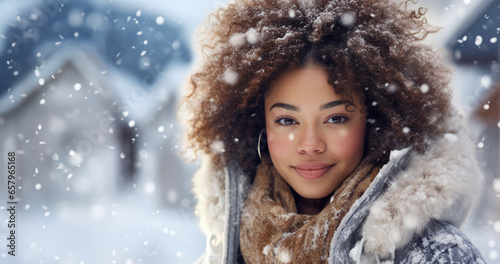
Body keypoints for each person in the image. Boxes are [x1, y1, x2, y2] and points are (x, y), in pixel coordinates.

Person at [180, 0, 486, 263]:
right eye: (287, 120)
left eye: (335, 118)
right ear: (258, 126)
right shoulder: (221, 256)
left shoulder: (438, 255)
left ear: (375, 122)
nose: (310, 144)